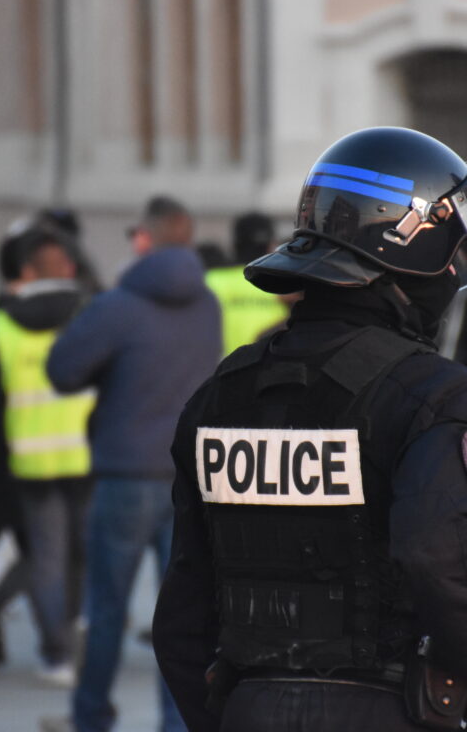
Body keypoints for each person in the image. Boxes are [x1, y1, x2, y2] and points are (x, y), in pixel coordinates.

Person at [153, 126, 467, 732]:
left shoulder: (221, 394)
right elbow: (434, 555)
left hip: (245, 707)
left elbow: (181, 615)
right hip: (388, 709)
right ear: (413, 254)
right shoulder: (433, 395)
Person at [42, 196, 222, 732]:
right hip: (188, 476)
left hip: (125, 473)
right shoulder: (207, 302)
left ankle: (92, 716)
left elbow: (62, 369)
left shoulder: (119, 303)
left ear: (143, 239)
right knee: (185, 616)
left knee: (107, 612)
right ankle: (178, 722)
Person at [0, 220, 95, 683]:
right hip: (84, 454)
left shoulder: (0, 323)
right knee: (80, 552)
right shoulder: (89, 312)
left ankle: (56, 654)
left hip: (29, 456)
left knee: (45, 554)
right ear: (69, 266)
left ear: (26, 270)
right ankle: (76, 627)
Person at [205, 212, 293, 356]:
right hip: (268, 370)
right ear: (271, 245)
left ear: (234, 244)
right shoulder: (283, 284)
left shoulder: (211, 281)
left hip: (221, 371)